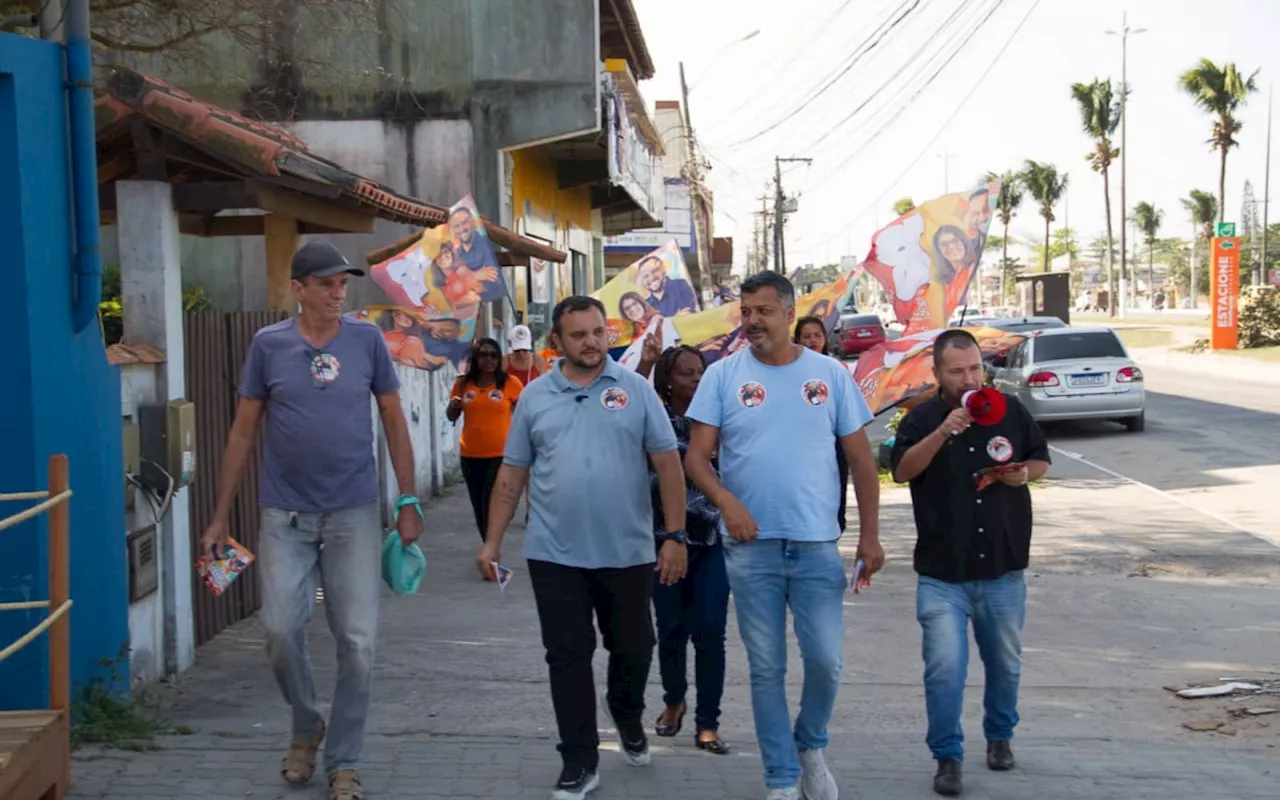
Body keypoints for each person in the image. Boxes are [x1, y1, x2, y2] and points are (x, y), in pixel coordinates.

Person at [199, 241, 423, 800]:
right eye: (325, 283)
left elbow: (393, 418)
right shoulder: (268, 345)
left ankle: (343, 760)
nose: (337, 292)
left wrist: (408, 499)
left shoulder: (366, 340)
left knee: (358, 641)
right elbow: (243, 430)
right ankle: (305, 725)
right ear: (298, 288)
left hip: (353, 514)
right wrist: (220, 516)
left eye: (342, 283)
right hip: (285, 516)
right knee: (278, 630)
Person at [476, 296, 690, 800]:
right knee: (568, 656)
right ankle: (579, 760)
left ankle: (628, 716)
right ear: (558, 343)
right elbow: (511, 474)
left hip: (628, 552)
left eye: (598, 332)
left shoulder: (636, 390)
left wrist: (675, 537)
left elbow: (668, 466)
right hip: (555, 554)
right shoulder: (534, 397)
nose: (591, 342)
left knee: (635, 649)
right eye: (579, 335)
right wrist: (491, 542)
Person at [684, 272, 883, 800]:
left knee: (826, 660)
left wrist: (870, 537)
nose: (751, 321)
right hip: (751, 551)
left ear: (788, 314)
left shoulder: (829, 375)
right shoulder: (723, 376)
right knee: (766, 666)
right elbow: (695, 458)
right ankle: (781, 778)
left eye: (763, 311)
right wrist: (728, 503)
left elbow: (862, 462)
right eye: (745, 311)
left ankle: (810, 744)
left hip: (816, 544)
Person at [889, 328, 1050, 797]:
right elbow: (901, 471)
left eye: (975, 368)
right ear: (937, 373)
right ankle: (947, 757)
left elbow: (1040, 458)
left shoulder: (1009, 411)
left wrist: (1023, 475)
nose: (968, 378)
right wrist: (944, 430)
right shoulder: (921, 419)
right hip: (943, 575)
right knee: (944, 669)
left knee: (1005, 664)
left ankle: (1000, 736)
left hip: (1002, 569)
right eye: (957, 371)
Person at [644, 343, 732, 755]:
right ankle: (674, 699)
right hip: (665, 543)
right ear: (667, 380)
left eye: (700, 371)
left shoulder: (717, 420)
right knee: (672, 629)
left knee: (711, 633)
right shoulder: (654, 419)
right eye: (686, 373)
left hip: (712, 541)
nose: (696, 379)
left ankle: (707, 723)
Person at [448, 337, 523, 548]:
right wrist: (454, 404)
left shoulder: (510, 384)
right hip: (470, 455)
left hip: (500, 456)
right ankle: (489, 548)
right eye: (483, 355)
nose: (488, 359)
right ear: (475, 358)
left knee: (493, 504)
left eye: (493, 355)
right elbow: (451, 416)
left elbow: (525, 415)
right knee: (479, 507)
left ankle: (492, 549)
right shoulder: (463, 384)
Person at [793, 315, 850, 532]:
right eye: (806, 336)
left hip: (834, 445)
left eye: (817, 335)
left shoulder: (837, 369)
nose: (812, 340)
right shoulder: (789, 371)